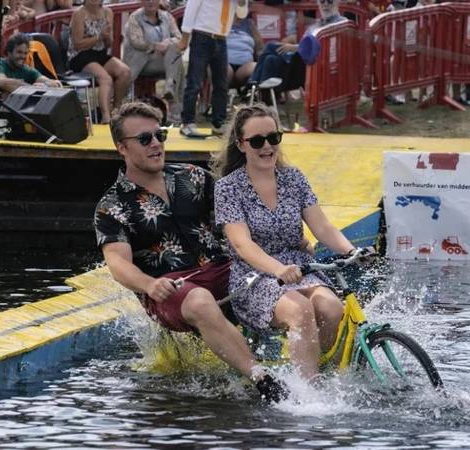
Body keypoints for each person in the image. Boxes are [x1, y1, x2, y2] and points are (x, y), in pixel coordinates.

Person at [94, 101, 286, 403]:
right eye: (144, 139)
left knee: (284, 284)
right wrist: (149, 285)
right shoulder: (112, 205)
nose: (156, 143)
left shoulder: (194, 177)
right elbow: (118, 264)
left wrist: (288, 242)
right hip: (171, 289)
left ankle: (314, 372)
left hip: (223, 271)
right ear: (122, 148)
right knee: (199, 301)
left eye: (159, 135)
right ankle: (265, 382)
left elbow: (240, 216)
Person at [212, 103, 373, 380]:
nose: (267, 146)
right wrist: (278, 269)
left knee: (332, 308)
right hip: (255, 276)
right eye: (257, 141)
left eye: (273, 138)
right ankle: (305, 394)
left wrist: (352, 251)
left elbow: (322, 227)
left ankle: (315, 374)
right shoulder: (227, 188)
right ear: (241, 145)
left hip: (298, 268)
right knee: (301, 311)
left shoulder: (294, 178)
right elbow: (242, 245)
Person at [178, 0, 248, 137]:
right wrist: (185, 37)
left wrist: (241, 2)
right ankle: (187, 123)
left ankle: (219, 122)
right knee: (194, 82)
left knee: (221, 84)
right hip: (202, 35)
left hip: (221, 38)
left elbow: (241, 15)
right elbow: (191, 8)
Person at [248, 0, 346, 89]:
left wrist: (295, 48)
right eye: (322, 1)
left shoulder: (342, 23)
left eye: (330, 1)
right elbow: (304, 44)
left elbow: (325, 49)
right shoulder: (314, 26)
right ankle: (259, 95)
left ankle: (251, 85)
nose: (325, 5)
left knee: (270, 46)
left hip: (314, 64)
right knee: (270, 59)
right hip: (299, 61)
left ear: (338, 2)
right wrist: (296, 48)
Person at [68, 0, 132, 124]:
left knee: (125, 72)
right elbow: (78, 44)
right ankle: (106, 117)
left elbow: (109, 43)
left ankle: (116, 111)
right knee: (105, 79)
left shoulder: (108, 12)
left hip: (100, 53)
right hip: (80, 55)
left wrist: (107, 37)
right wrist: (99, 37)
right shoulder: (79, 14)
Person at [123, 0, 184, 124]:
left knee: (175, 53)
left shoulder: (167, 16)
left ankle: (170, 86)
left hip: (162, 62)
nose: (150, 1)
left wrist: (168, 42)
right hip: (141, 62)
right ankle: (175, 112)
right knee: (178, 65)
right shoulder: (135, 18)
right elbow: (137, 42)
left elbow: (179, 38)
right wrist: (156, 46)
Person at [0, 33, 62, 111]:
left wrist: (46, 85)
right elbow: (3, 83)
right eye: (19, 52)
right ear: (9, 52)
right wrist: (33, 89)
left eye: (25, 53)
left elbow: (53, 83)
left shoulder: (25, 69)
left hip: (8, 118)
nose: (23, 56)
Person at [226, 15, 263, 91]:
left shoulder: (250, 24)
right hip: (226, 63)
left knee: (256, 67)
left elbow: (260, 48)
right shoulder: (221, 22)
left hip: (244, 66)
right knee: (222, 68)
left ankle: (248, 93)